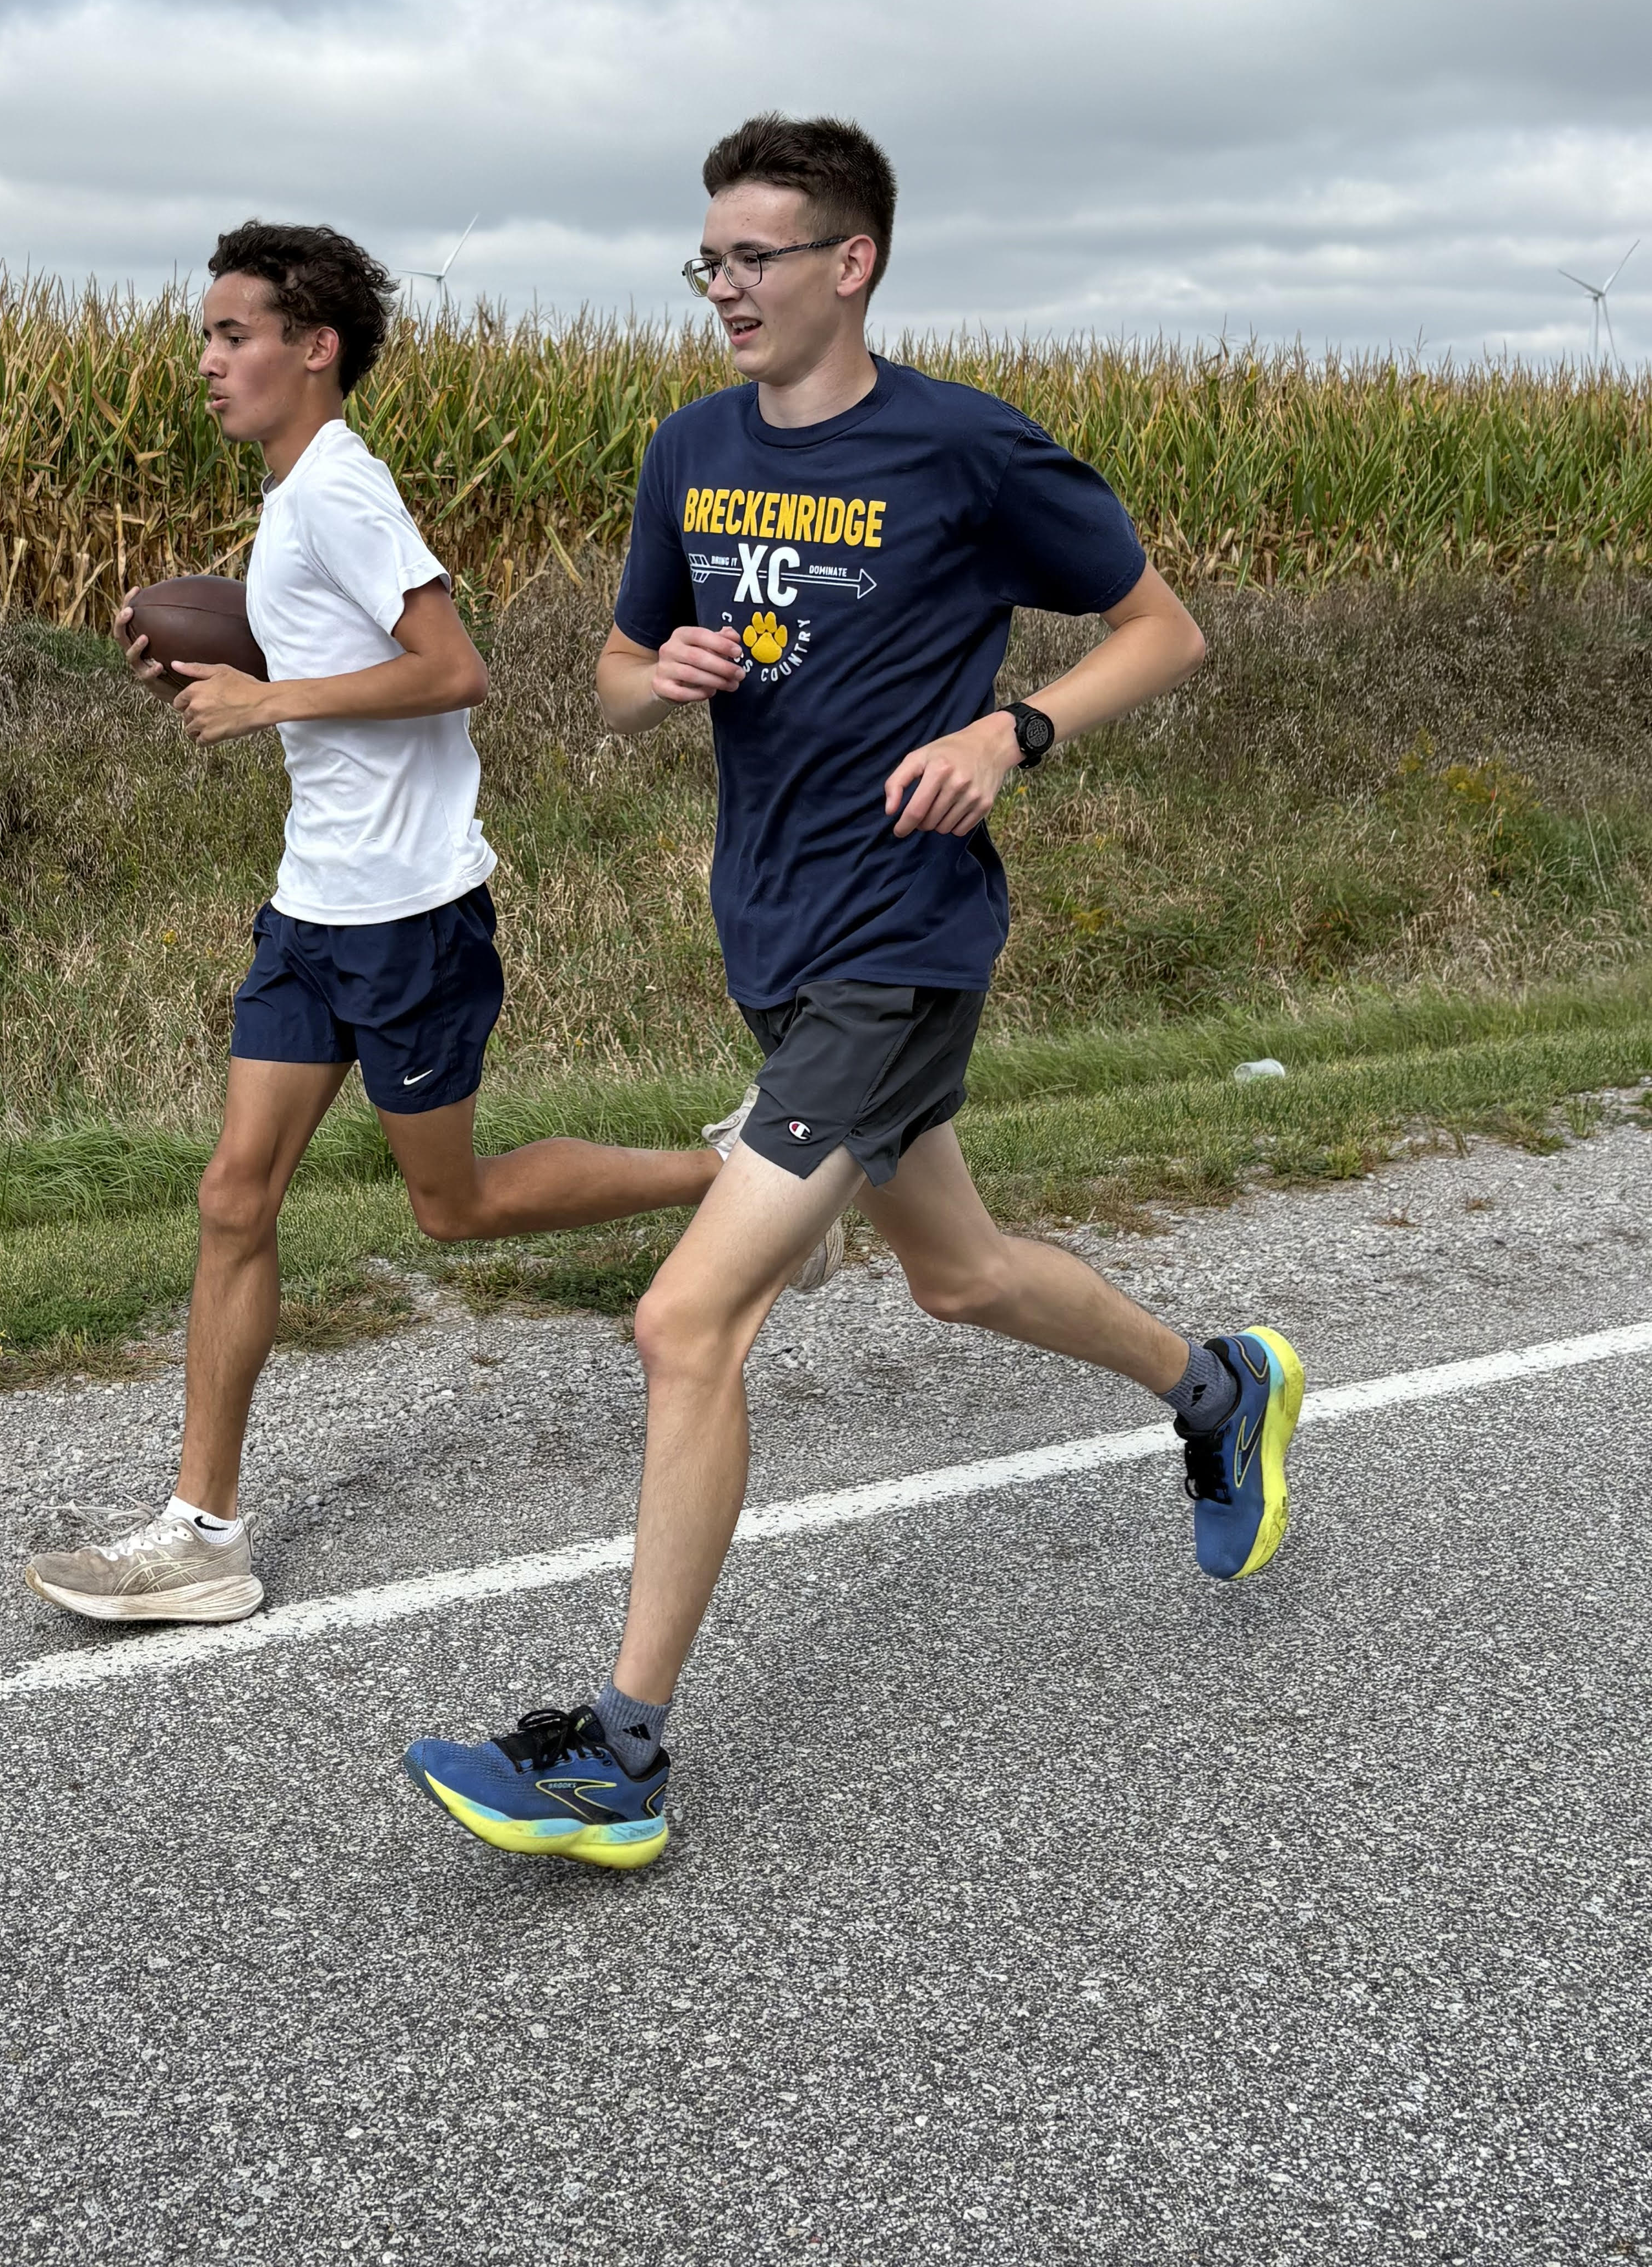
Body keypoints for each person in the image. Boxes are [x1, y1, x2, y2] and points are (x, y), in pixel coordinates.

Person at [404, 114, 1304, 1867]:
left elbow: (1161, 630)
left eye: (753, 257)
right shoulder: (690, 449)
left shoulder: (960, 448)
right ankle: (1217, 1388)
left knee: (685, 1322)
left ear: (851, 263)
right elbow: (603, 677)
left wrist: (1008, 729)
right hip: (774, 930)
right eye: (707, 259)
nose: (722, 287)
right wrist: (652, 674)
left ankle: (621, 1758)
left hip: (902, 943)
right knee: (957, 1278)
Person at [27, 220, 744, 1627]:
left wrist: (267, 699)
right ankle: (202, 1537)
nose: (210, 360)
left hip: (410, 915)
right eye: (209, 334)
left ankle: (734, 1185)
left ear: (315, 350)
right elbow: (334, 652)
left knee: (450, 1205)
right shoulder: (292, 503)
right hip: (311, 906)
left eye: (236, 335)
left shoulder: (344, 491)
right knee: (234, 1195)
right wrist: (226, 655)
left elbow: (452, 669)